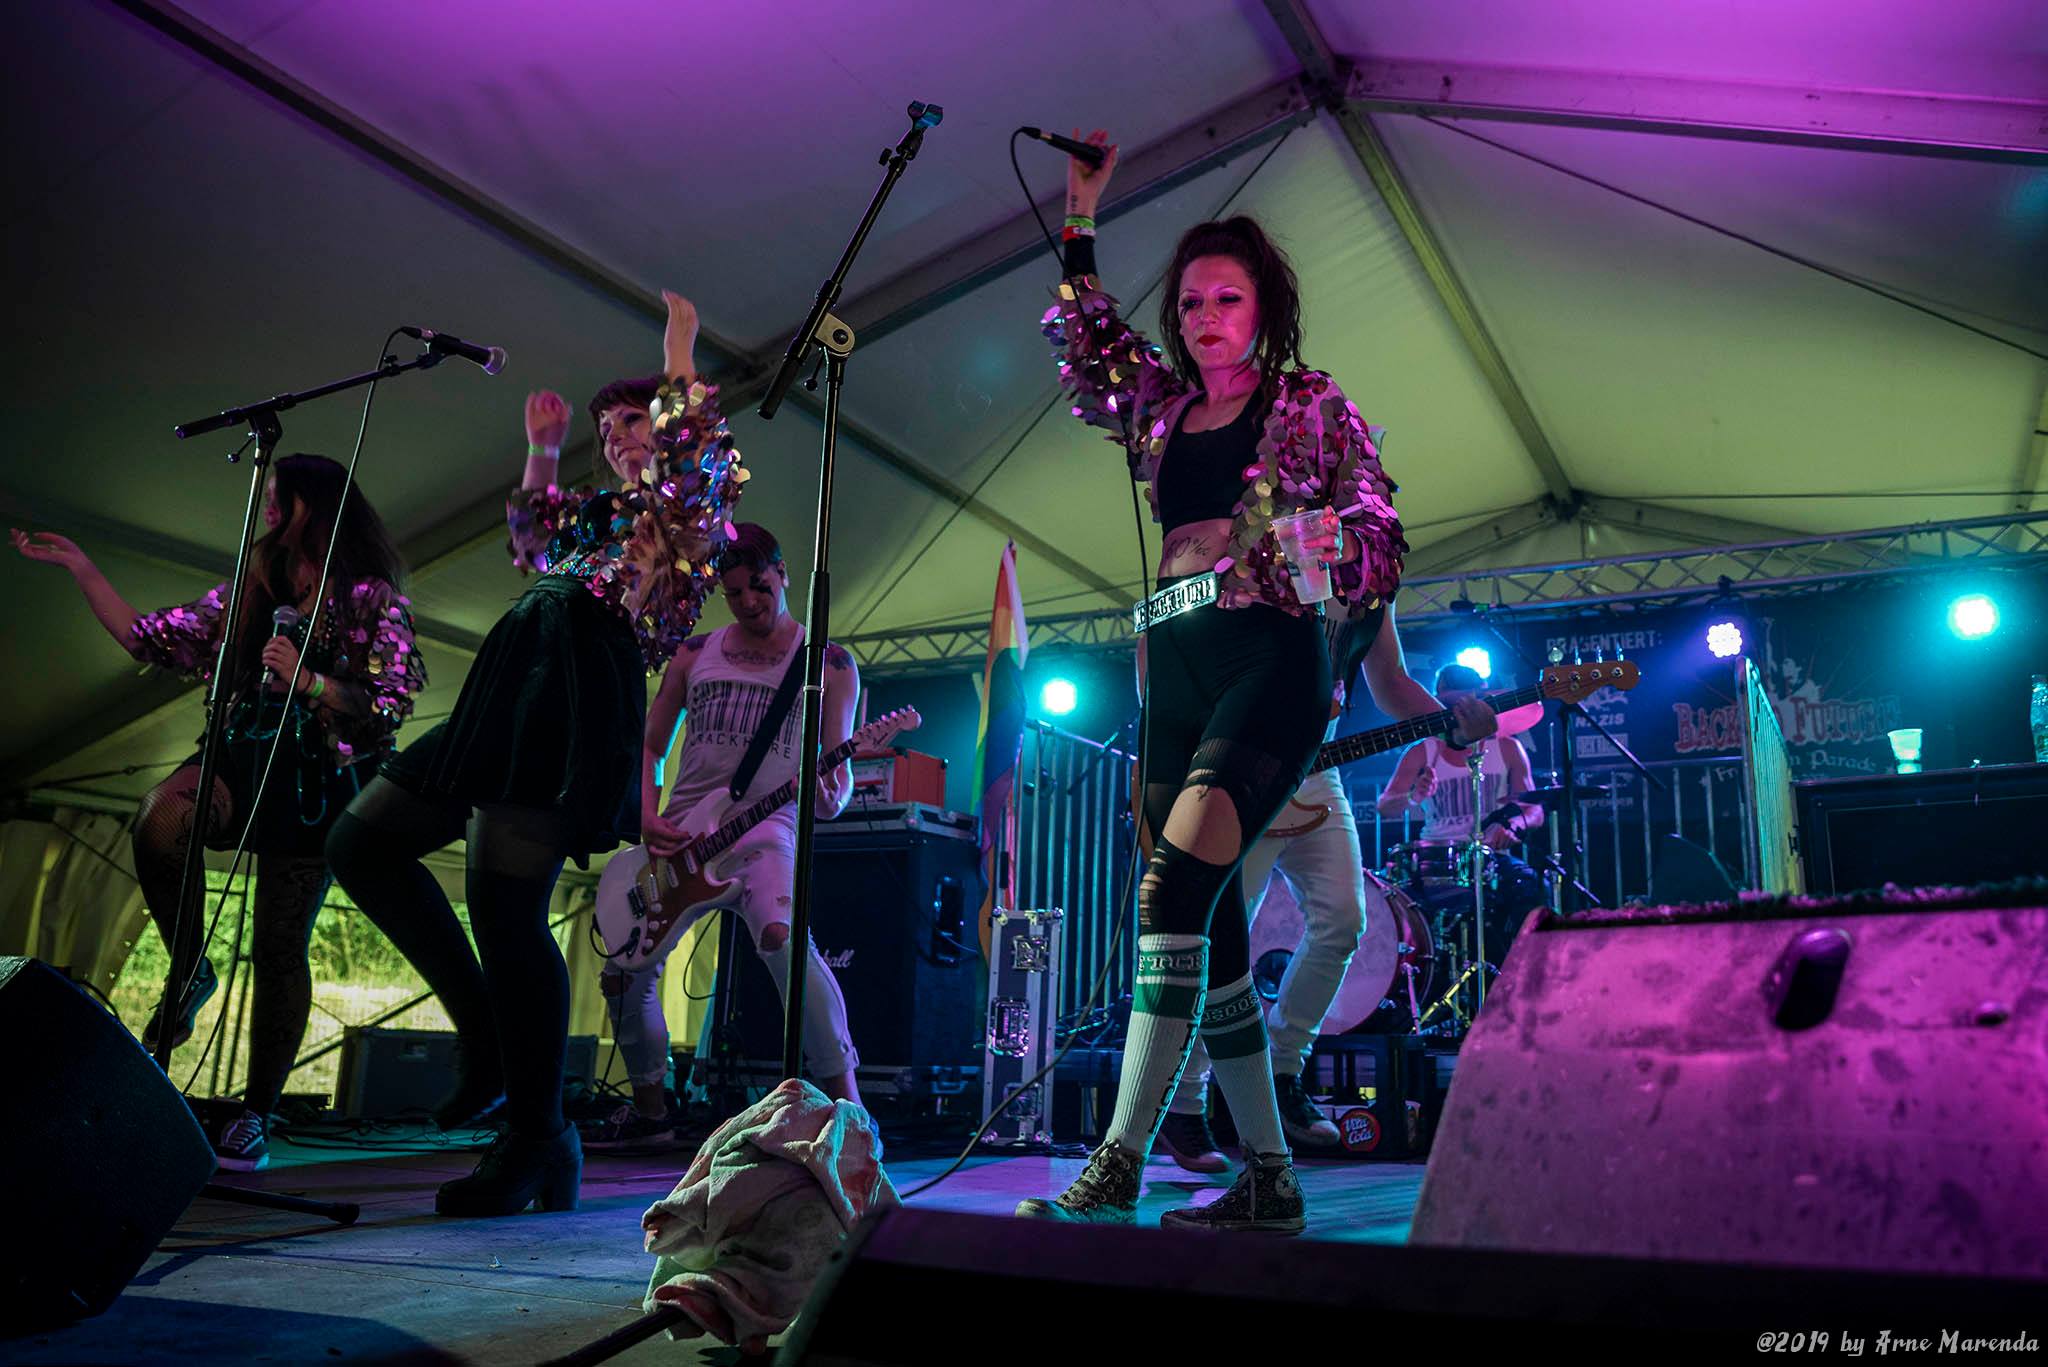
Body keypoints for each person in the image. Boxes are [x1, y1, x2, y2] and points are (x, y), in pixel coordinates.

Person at [1016, 131, 1406, 1233]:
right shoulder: (1158, 404)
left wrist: (1338, 537)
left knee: (1167, 894)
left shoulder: (1307, 402)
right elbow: (1089, 343)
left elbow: (1380, 520)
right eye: (1188, 302)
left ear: (1263, 309)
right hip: (1176, 663)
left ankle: (1117, 1161)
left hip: (1268, 652)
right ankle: (1269, 1181)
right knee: (1213, 927)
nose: (1203, 317)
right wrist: (1080, 219)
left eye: (1226, 299)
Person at [324, 291, 746, 1216]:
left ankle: (537, 1136)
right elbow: (533, 544)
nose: (620, 436)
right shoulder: (600, 516)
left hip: (576, 685)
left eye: (634, 419)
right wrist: (544, 449)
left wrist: (679, 349)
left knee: (506, 912)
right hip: (518, 671)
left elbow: (690, 462)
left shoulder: (687, 519)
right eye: (610, 427)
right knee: (359, 841)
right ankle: (486, 1037)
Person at [12, 455, 424, 1170]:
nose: (267, 505)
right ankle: (190, 965)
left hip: (317, 777)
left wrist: (312, 682)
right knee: (161, 816)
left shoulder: (368, 595)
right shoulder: (254, 586)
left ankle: (255, 1111)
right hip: (239, 752)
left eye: (278, 493)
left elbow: (392, 695)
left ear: (314, 502)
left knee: (278, 945)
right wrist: (83, 568)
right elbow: (151, 637)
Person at [1157, 611, 1494, 1172]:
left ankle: (1282, 1071)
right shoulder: (1249, 565)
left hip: (1316, 771)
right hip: (1238, 766)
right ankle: (1183, 1099)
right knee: (1219, 939)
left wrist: (1451, 728)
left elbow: (1392, 681)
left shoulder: (1370, 582)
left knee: (1342, 921)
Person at [587, 523, 863, 1148]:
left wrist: (832, 794)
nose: (748, 603)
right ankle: (651, 1112)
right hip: (682, 836)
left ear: (784, 574)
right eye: (733, 593)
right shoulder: (694, 653)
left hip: (767, 831)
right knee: (623, 975)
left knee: (783, 941)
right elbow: (650, 746)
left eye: (759, 587)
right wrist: (647, 814)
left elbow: (837, 776)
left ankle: (851, 1112)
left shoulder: (828, 663)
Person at [1377, 662, 1547, 944]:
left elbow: (1533, 809)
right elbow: (1384, 806)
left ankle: (1519, 965)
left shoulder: (1508, 748)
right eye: (1451, 707)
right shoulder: (1422, 750)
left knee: (1531, 888)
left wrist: (1514, 825)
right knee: (1401, 911)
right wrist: (1412, 797)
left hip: (1491, 859)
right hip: (1435, 862)